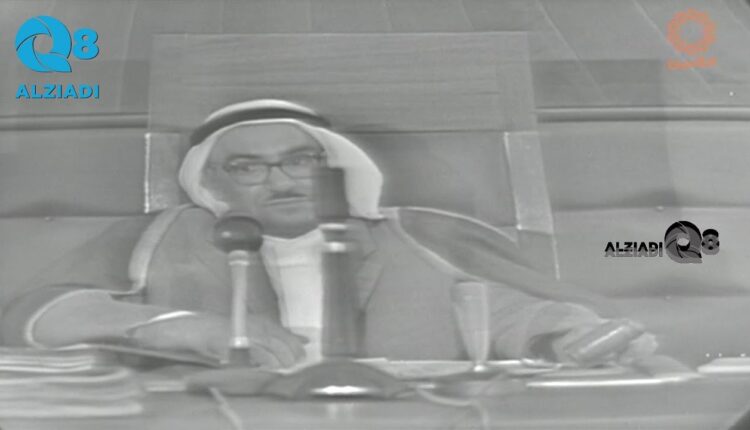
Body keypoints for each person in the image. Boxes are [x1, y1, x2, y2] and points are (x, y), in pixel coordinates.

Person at [1, 100, 656, 368]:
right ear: (214, 183)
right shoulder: (161, 236)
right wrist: (172, 325)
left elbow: (511, 309)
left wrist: (571, 335)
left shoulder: (418, 234)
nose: (281, 180)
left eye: (299, 160)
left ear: (332, 164)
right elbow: (35, 316)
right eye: (248, 167)